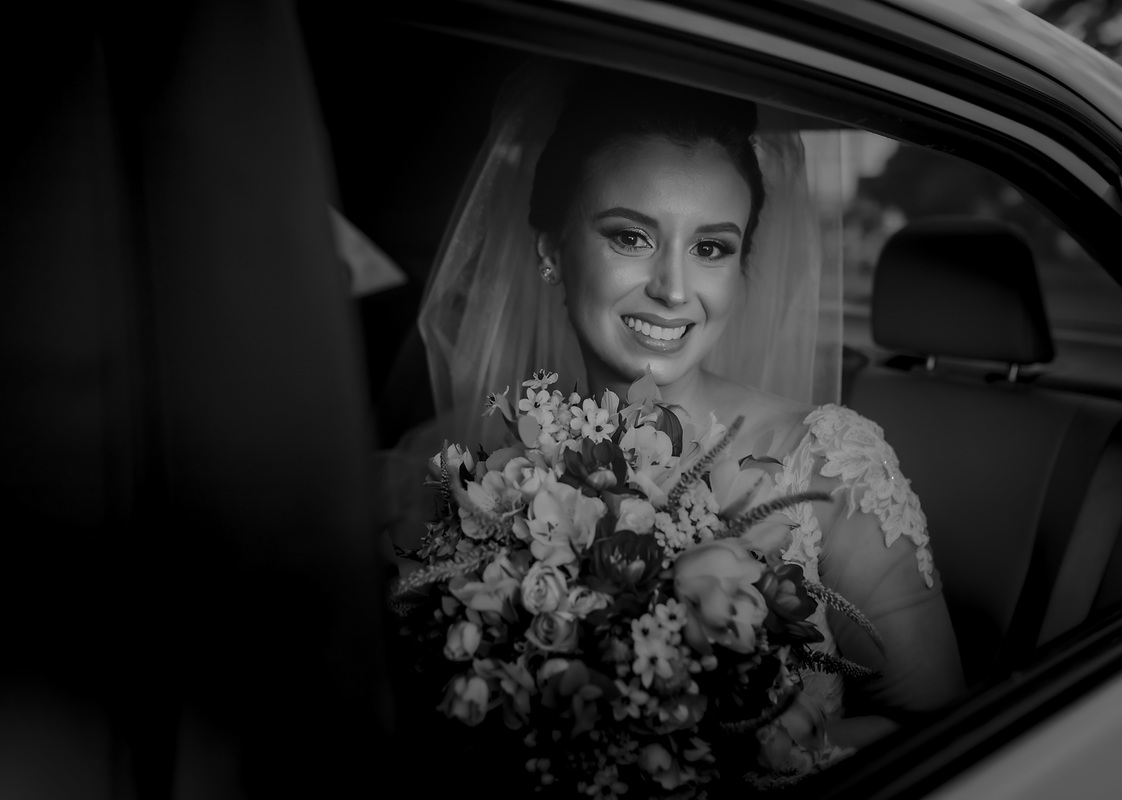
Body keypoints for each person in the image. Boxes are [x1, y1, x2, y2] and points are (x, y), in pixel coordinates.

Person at [388, 60, 964, 765]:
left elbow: (939, 736)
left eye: (712, 248)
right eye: (631, 236)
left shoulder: (831, 465)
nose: (673, 287)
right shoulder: (470, 467)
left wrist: (741, 767)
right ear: (550, 250)